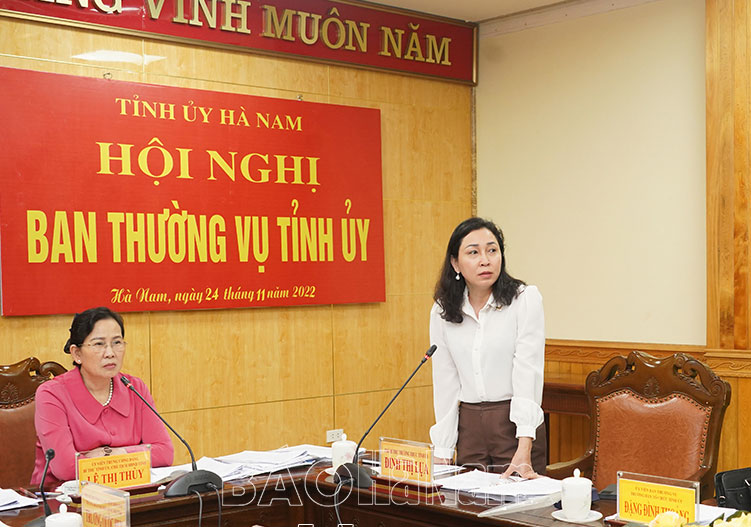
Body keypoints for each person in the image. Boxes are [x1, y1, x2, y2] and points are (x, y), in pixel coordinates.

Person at [429, 217, 546, 478]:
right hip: (469, 427)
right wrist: (443, 449)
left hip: (514, 425)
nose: (485, 260)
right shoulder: (442, 311)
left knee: (519, 499)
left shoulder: (524, 300)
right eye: (473, 252)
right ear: (455, 263)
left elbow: (528, 371)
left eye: (492, 250)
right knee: (467, 501)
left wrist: (525, 444)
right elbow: (446, 382)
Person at [31, 307, 174, 486]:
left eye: (117, 342)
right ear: (77, 353)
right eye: (99, 344)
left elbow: (165, 453)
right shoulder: (52, 394)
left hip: (129, 491)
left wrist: (116, 453)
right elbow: (66, 468)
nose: (110, 353)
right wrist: (139, 454)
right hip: (64, 497)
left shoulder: (134, 387)